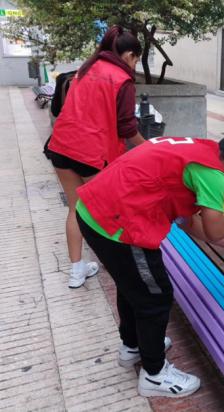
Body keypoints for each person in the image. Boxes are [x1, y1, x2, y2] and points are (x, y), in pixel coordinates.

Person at [75, 132, 224, 398]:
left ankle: (134, 346)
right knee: (155, 297)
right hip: (119, 225)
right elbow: (214, 230)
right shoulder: (213, 173)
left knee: (132, 286)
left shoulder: (198, 151)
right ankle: (154, 375)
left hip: (93, 212)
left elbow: (189, 221)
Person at [45, 25, 146, 288]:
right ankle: (124, 273)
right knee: (113, 213)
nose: (135, 65)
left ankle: (77, 271)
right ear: (128, 55)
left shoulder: (85, 69)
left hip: (61, 148)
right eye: (136, 59)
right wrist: (150, 148)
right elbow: (126, 129)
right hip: (91, 155)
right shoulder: (122, 80)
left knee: (75, 209)